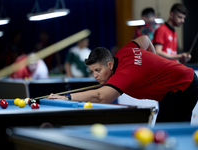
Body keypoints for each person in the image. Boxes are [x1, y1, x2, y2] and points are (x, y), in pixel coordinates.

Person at [48, 35, 198, 123]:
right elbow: (145, 39)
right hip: (179, 83)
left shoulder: (124, 75)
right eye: (92, 71)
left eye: (98, 70)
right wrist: (155, 64)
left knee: (166, 134)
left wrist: (66, 98)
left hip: (184, 86)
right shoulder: (124, 51)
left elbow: (101, 96)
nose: (95, 76)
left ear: (110, 64)